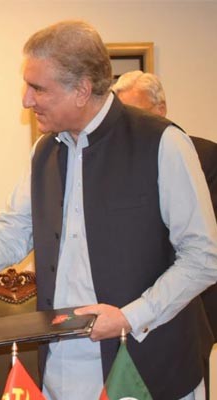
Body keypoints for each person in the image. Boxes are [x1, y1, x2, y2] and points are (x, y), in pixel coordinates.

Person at [0, 21, 217, 399]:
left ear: (81, 90)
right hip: (62, 368)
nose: (26, 100)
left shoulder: (163, 143)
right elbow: (13, 232)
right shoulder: (43, 152)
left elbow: (203, 256)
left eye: (38, 88)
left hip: (150, 367)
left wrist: (130, 317)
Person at [113, 70, 217, 341]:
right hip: (133, 304)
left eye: (135, 113)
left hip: (194, 302)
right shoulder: (115, 165)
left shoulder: (205, 155)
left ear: (160, 109)